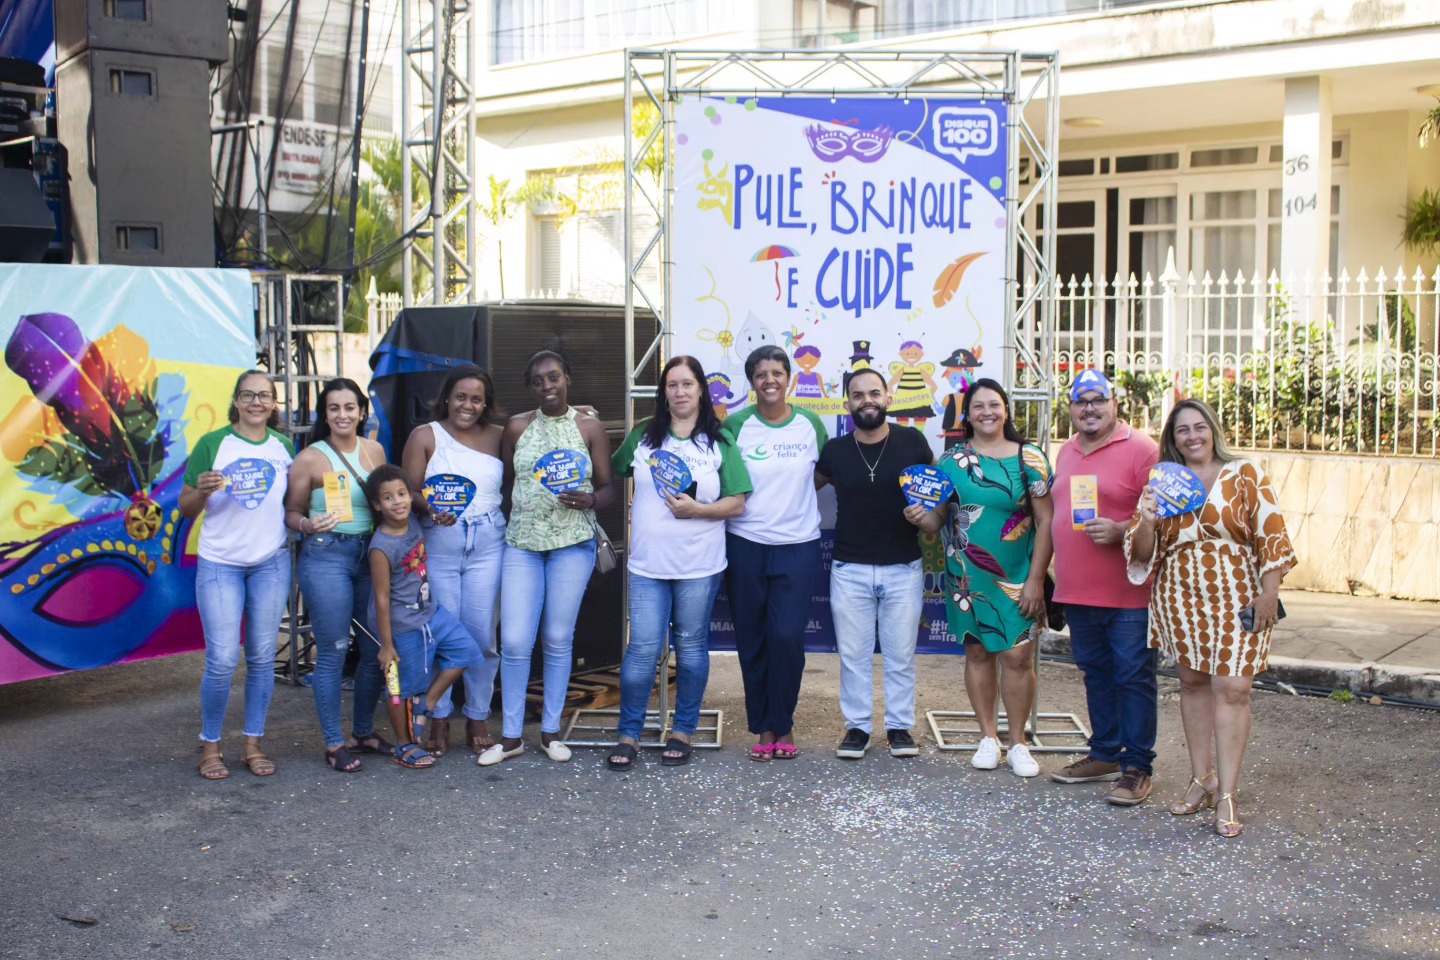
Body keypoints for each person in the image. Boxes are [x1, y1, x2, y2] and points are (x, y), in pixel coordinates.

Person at [1126, 398, 1295, 837]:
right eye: (1182, 430)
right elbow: (1141, 554)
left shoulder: (1245, 474)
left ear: (1213, 429)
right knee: (1193, 684)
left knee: (1234, 689)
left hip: (1238, 594)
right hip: (1179, 595)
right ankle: (1202, 778)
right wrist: (1146, 519)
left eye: (1199, 427)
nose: (1192, 436)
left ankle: (1228, 794)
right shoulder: (1163, 481)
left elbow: (1272, 536)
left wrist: (1269, 595)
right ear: (1173, 438)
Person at [606, 356, 751, 770]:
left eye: (688, 384)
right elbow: (614, 467)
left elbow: (737, 502)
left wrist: (698, 510)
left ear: (701, 389)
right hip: (648, 565)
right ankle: (629, 734)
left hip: (699, 566)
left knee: (690, 648)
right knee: (642, 651)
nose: (680, 392)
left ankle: (683, 730)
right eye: (672, 385)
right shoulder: (643, 436)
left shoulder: (719, 441)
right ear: (663, 392)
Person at [481, 349, 615, 767]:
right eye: (538, 380)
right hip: (522, 545)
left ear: (567, 378)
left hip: (572, 544)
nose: (546, 386)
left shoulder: (589, 427)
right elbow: (508, 483)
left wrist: (591, 499)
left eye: (553, 377)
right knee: (515, 641)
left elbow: (609, 488)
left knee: (558, 638)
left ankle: (551, 732)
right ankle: (511, 737)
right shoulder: (516, 428)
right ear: (530, 387)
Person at [916, 378, 1054, 778]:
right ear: (968, 415)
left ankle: (1018, 743)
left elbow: (1047, 520)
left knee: (1017, 657)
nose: (986, 412)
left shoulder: (1030, 458)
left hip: (1017, 575)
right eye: (978, 406)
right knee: (977, 654)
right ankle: (988, 738)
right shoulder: (950, 462)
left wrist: (1036, 579)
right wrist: (920, 517)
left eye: (994, 404)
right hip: (966, 576)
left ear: (1006, 409)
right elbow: (936, 521)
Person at [1047, 370, 1160, 804]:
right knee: (1096, 674)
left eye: (1098, 399)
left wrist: (1122, 531)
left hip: (1129, 593)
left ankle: (1137, 767)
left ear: (1115, 404)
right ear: (1071, 409)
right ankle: (1105, 754)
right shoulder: (1066, 451)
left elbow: (1166, 517)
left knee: (1133, 677)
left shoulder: (1143, 450)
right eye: (1081, 401)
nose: (1089, 408)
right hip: (1078, 591)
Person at [816, 368, 935, 760]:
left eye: (874, 393)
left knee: (901, 656)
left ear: (888, 398)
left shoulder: (912, 442)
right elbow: (797, 490)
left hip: (903, 566)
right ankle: (858, 728)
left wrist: (927, 517)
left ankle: (899, 727)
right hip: (849, 568)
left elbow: (938, 494)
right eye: (857, 395)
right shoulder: (835, 451)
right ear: (847, 403)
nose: (866, 400)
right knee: (854, 657)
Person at [181, 370, 294, 781]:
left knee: (262, 656)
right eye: (247, 395)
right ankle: (211, 747)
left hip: (271, 563)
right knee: (223, 659)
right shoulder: (212, 444)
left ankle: (253, 745)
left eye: (264, 396)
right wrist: (201, 490)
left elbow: (291, 503)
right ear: (235, 400)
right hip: (220, 563)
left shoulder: (284, 447)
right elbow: (186, 508)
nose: (256, 403)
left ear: (274, 403)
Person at [722, 345, 825, 761]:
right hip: (745, 544)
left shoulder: (810, 424)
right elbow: (725, 478)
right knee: (752, 638)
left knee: (785, 637)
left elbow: (821, 474)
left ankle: (784, 721)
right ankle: (764, 727)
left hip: (798, 545)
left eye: (777, 373)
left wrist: (791, 500)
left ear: (789, 378)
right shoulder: (736, 425)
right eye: (761, 374)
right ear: (752, 382)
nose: (770, 380)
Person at [284, 378, 390, 773]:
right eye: (334, 408)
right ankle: (333, 743)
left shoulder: (375, 450)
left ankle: (363, 732)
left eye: (349, 407)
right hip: (327, 555)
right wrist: (307, 525)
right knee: (333, 650)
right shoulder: (310, 459)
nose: (342, 415)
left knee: (376, 646)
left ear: (362, 411)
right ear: (325, 415)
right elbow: (291, 513)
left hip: (369, 554)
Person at [401, 365, 505, 757]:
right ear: (447, 397)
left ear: (485, 403)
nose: (468, 405)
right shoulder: (425, 436)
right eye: (461, 396)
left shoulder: (500, 435)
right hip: (440, 542)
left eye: (477, 399)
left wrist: (581, 412)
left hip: (488, 543)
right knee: (440, 633)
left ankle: (478, 714)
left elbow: (539, 430)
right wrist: (429, 509)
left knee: (482, 636)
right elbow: (408, 491)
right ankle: (439, 714)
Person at [365, 464, 482, 769]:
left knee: (467, 650)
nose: (398, 502)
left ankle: (427, 703)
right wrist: (386, 645)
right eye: (388, 497)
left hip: (431, 613)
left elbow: (426, 505)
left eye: (402, 494)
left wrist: (433, 511)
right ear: (377, 505)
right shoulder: (381, 547)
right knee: (401, 688)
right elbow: (381, 598)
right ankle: (404, 745)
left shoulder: (415, 521)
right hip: (402, 625)